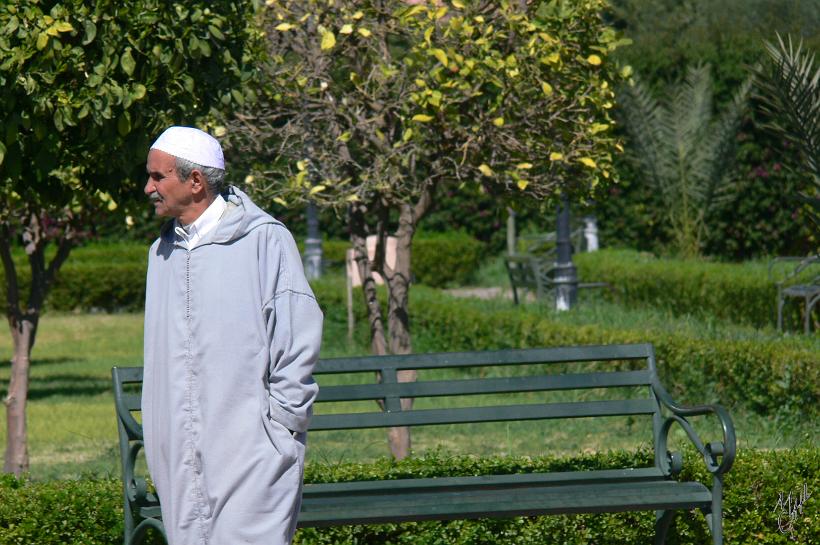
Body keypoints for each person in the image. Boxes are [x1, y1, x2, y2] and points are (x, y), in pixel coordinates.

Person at [141, 126, 323, 545]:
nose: (148, 187)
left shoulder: (266, 240)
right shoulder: (161, 254)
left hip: (252, 447)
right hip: (177, 452)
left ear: (195, 181)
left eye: (157, 176)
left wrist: (280, 427)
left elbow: (297, 339)